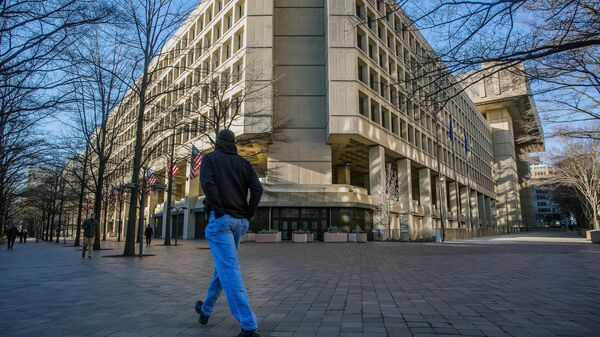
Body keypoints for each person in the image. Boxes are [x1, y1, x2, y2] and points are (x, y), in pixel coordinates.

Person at [195, 130, 263, 337]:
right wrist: (247, 215)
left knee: (229, 269)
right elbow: (257, 189)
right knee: (223, 268)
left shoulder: (210, 159)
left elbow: (207, 185)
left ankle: (248, 325)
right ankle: (205, 310)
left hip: (221, 221)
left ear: (217, 142)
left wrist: (220, 211)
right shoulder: (244, 164)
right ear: (233, 143)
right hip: (238, 222)